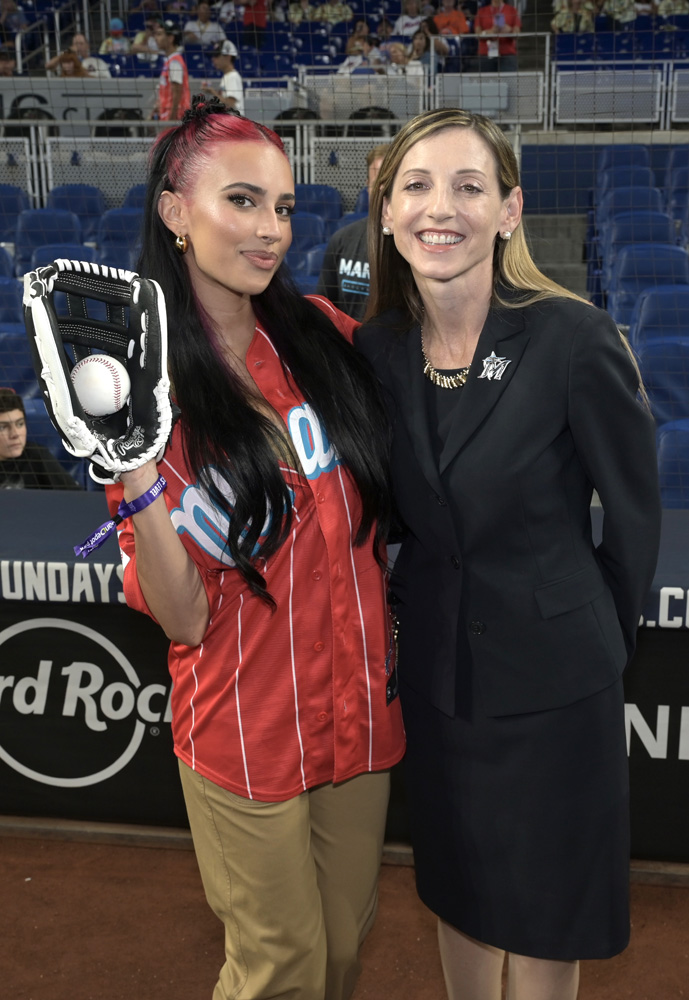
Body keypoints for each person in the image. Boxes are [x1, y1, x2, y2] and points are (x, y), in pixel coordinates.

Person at [355, 108, 661, 1000]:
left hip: (557, 689)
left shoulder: (571, 337)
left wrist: (593, 631)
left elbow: (633, 520)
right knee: (458, 893)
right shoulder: (374, 351)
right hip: (441, 688)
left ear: (509, 210)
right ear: (385, 212)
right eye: (414, 185)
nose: (437, 208)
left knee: (541, 910)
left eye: (466, 186)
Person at [105, 96, 405, 1000]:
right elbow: (184, 612)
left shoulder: (323, 336)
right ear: (174, 213)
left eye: (281, 206)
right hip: (245, 729)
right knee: (281, 972)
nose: (270, 229)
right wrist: (128, 467)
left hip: (356, 722)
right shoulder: (137, 388)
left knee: (343, 955)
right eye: (241, 202)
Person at [316, 143, 389, 320]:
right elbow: (325, 310)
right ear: (367, 187)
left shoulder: (419, 245)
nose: (383, 190)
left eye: (390, 182)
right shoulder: (342, 240)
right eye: (377, 182)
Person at [0, 388, 81, 490]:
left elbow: (76, 498)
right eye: (2, 427)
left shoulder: (36, 456)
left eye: (20, 424)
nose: (15, 434)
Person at [153, 20, 191, 121]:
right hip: (169, 117)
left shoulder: (175, 62)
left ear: (170, 38)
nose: (156, 38)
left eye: (160, 34)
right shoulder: (170, 61)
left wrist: (171, 120)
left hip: (176, 119)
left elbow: (177, 94)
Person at [474, 0, 521, 72]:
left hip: (507, 53)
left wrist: (509, 30)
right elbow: (477, 34)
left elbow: (517, 33)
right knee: (487, 82)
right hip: (486, 53)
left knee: (508, 82)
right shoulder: (481, 11)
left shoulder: (512, 10)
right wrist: (489, 32)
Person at [203, 38, 244, 113]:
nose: (213, 59)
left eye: (217, 55)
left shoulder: (233, 76)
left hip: (234, 123)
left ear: (228, 56)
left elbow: (230, 104)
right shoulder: (227, 76)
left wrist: (213, 92)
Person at [46, 32, 111, 78]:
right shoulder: (66, 62)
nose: (78, 46)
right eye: (76, 44)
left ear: (87, 46)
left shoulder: (97, 61)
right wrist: (67, 52)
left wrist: (85, 75)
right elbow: (48, 66)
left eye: (81, 44)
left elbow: (107, 80)